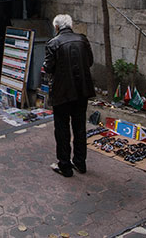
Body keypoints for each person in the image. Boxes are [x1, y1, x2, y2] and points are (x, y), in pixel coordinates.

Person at [44, 14, 95, 177]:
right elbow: (90, 61)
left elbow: (49, 68)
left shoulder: (53, 43)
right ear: (70, 25)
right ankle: (80, 162)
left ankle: (65, 165)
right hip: (81, 91)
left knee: (62, 129)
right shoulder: (82, 40)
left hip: (62, 92)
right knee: (79, 127)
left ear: (57, 27)